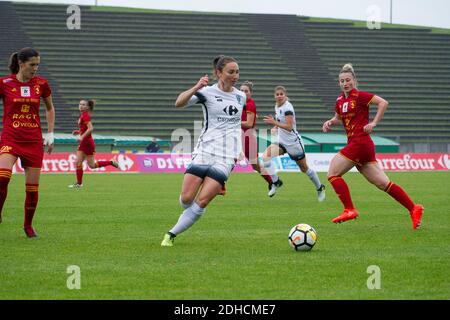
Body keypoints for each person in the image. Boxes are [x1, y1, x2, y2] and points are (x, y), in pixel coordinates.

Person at [322, 63, 423, 229]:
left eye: (348, 80)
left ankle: (349, 209)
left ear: (354, 80)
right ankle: (414, 208)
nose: (345, 83)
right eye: (342, 81)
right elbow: (338, 117)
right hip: (361, 146)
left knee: (333, 172)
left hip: (360, 142)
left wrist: (374, 123)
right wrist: (330, 122)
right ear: (339, 83)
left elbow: (383, 103)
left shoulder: (360, 96)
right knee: (384, 183)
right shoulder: (340, 100)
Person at [161, 55, 245, 247]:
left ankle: (170, 234)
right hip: (205, 151)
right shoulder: (206, 93)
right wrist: (196, 87)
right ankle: (188, 213)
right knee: (186, 199)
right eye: (231, 72)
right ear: (218, 73)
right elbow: (178, 103)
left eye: (237, 72)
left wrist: (238, 150)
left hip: (226, 157)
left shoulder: (241, 97)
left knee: (203, 200)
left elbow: (235, 126)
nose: (235, 76)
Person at [0, 47, 55, 237]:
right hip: (11, 137)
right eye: (32, 65)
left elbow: (49, 108)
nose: (36, 68)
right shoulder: (4, 83)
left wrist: (50, 134)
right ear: (21, 64)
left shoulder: (42, 84)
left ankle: (28, 226)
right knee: (2, 176)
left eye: (38, 64)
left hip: (32, 140)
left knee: (32, 189)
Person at [261, 86, 326, 200]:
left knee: (304, 169)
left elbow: (290, 127)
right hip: (282, 141)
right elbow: (281, 120)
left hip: (293, 144)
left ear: (285, 95)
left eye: (281, 94)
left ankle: (320, 187)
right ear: (274, 96)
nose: (279, 96)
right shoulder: (277, 106)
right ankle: (276, 182)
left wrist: (274, 122)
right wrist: (275, 126)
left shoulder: (288, 108)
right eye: (277, 94)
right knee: (266, 156)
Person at [68, 99, 120, 188]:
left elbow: (91, 128)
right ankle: (79, 183)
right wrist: (78, 132)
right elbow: (85, 128)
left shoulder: (85, 116)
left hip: (87, 143)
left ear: (87, 107)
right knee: (79, 163)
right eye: (80, 104)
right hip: (84, 143)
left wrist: (82, 136)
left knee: (91, 165)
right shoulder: (82, 115)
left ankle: (111, 162)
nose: (81, 106)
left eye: (84, 104)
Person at [240, 81, 274, 190]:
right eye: (241, 90)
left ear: (251, 93)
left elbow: (249, 124)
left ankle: (272, 181)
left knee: (255, 165)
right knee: (230, 158)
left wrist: (233, 121)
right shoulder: (240, 102)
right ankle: (221, 186)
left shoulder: (249, 103)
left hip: (247, 136)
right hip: (239, 135)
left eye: (246, 91)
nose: (243, 93)